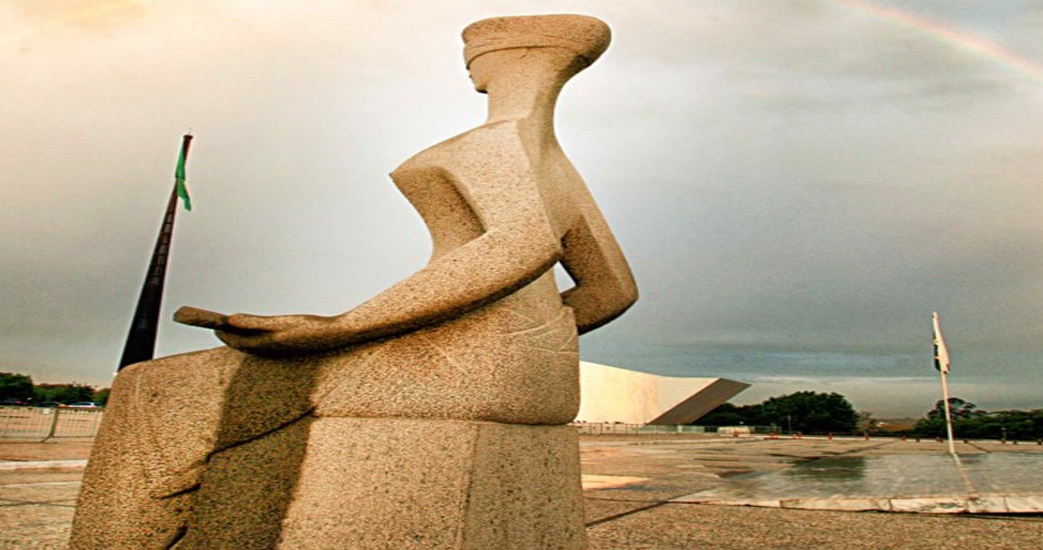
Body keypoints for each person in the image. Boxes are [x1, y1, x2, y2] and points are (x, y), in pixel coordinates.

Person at [71, 14, 634, 549]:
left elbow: (522, 244)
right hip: (540, 376)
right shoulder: (559, 166)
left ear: (514, 57)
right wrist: (531, 342)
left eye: (474, 56)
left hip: (466, 367)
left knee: (151, 390)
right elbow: (612, 291)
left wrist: (340, 329)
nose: (469, 68)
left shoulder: (488, 144)